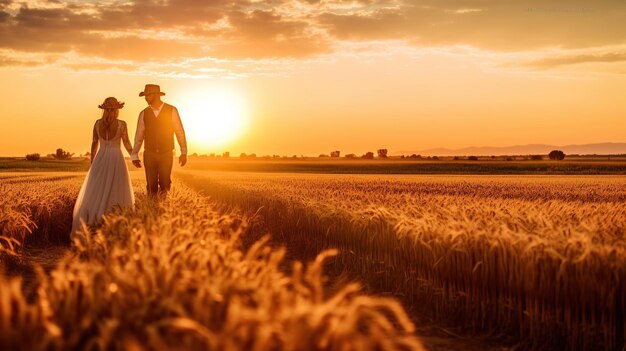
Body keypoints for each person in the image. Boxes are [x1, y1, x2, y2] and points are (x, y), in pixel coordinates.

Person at [71, 97, 135, 237]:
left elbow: (94, 144)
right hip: (116, 158)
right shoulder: (122, 124)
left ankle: (92, 224)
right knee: (115, 191)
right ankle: (113, 226)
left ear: (104, 110)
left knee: (96, 191)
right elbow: (127, 143)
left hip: (100, 158)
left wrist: (93, 161)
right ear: (117, 110)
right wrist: (134, 156)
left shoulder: (97, 124)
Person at [131, 84, 187, 196]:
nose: (146, 98)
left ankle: (165, 210)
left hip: (166, 153)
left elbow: (179, 132)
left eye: (148, 95)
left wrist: (184, 152)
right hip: (149, 154)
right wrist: (134, 155)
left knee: (165, 184)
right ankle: (152, 210)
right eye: (145, 95)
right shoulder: (143, 113)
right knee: (151, 186)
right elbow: (139, 136)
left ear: (157, 95)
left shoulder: (172, 110)